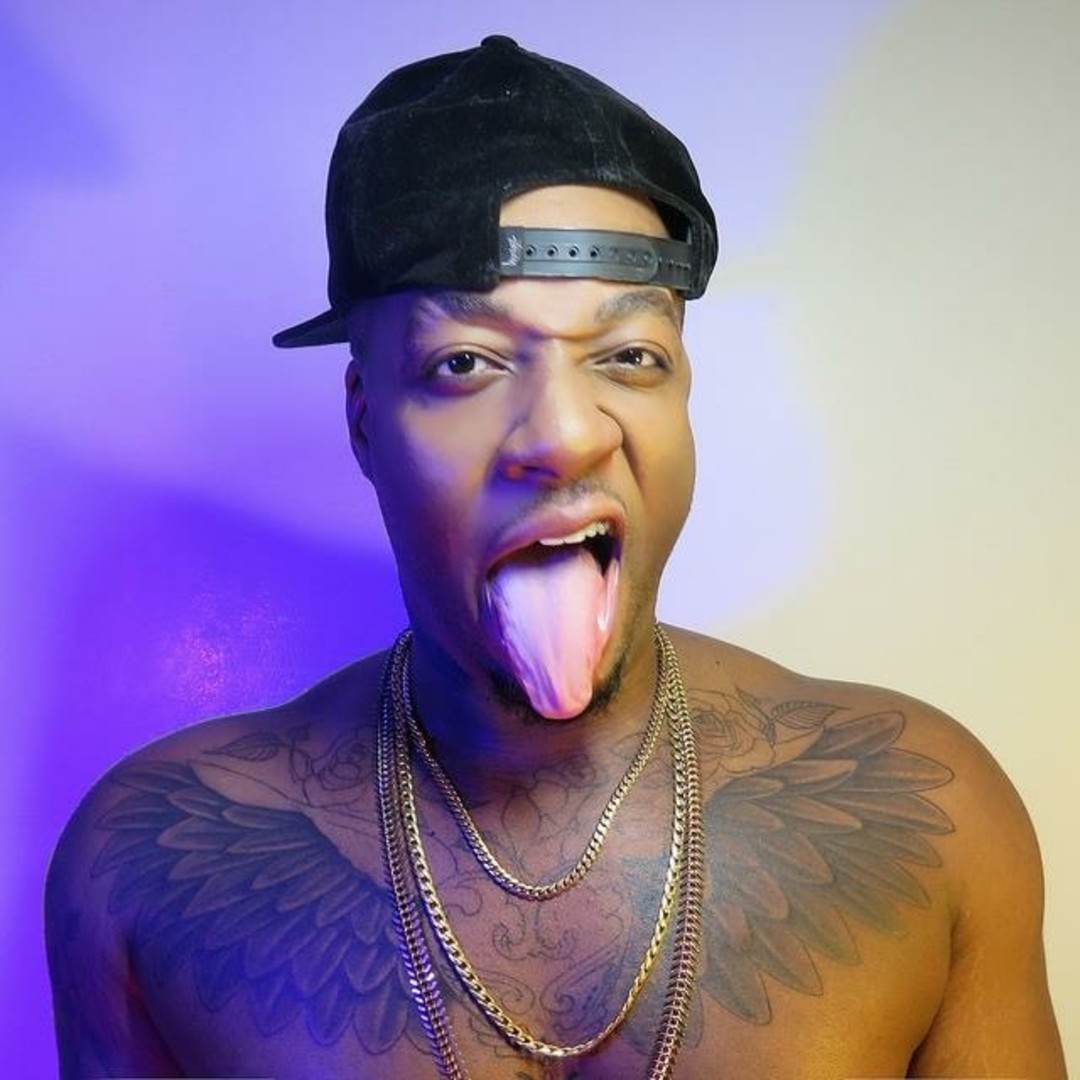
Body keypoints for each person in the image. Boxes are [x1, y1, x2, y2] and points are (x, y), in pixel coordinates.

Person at [45, 35, 1065, 1080]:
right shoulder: (143, 868)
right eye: (465, 363)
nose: (566, 435)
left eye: (629, 356)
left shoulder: (930, 815)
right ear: (365, 422)